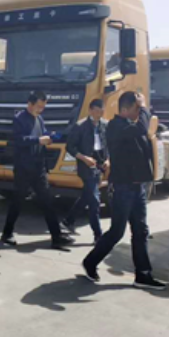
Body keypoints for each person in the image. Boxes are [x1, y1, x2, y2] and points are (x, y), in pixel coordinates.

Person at [82, 91, 166, 290]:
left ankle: (143, 274)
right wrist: (144, 106)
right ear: (125, 109)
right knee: (117, 231)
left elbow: (143, 138)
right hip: (122, 188)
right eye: (137, 109)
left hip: (137, 187)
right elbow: (141, 128)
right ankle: (90, 261)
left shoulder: (132, 127)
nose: (140, 112)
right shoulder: (116, 126)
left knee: (141, 231)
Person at [0, 90, 75, 250]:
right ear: (30, 103)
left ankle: (56, 236)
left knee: (48, 202)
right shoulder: (19, 118)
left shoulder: (39, 118)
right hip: (24, 168)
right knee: (17, 201)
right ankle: (7, 233)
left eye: (43, 107)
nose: (41, 110)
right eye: (39, 106)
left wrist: (52, 136)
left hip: (39, 167)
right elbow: (19, 140)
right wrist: (38, 140)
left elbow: (43, 133)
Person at [62, 99, 108, 242]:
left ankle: (68, 220)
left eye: (101, 111)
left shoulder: (105, 125)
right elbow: (70, 147)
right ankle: (98, 235)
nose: (99, 114)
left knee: (87, 195)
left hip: (99, 163)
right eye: (96, 111)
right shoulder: (80, 126)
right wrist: (83, 158)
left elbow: (109, 144)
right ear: (90, 110)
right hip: (86, 165)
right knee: (94, 200)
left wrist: (108, 160)